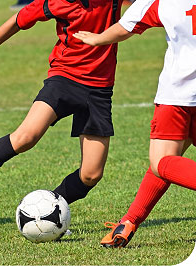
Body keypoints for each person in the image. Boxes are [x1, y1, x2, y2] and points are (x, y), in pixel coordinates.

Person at [74, 0, 196, 248]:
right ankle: (129, 222)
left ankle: (129, 221)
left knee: (162, 162)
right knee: (167, 160)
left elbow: (127, 25)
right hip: (179, 96)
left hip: (178, 95)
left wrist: (98, 39)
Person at [0, 0, 124, 209]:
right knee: (25, 138)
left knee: (91, 175)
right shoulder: (57, 2)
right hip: (64, 79)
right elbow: (17, 21)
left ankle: (45, 210)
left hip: (99, 91)